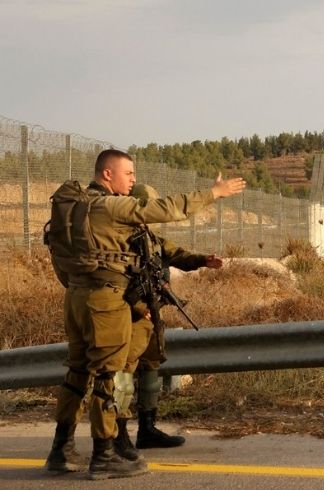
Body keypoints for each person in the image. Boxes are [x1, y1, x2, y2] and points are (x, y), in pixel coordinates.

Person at [44, 149, 245, 480]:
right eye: (129, 174)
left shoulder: (78, 207)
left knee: (78, 373)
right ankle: (104, 455)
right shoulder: (109, 206)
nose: (133, 179)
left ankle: (60, 450)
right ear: (107, 174)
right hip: (106, 300)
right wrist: (213, 193)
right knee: (110, 376)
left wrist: (195, 260)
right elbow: (166, 209)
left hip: (78, 297)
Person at [112, 183, 225, 461]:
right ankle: (119, 433)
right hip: (129, 315)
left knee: (151, 364)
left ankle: (147, 429)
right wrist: (139, 308)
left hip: (151, 312)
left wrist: (202, 260)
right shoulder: (117, 237)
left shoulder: (148, 236)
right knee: (124, 373)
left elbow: (173, 253)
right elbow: (113, 281)